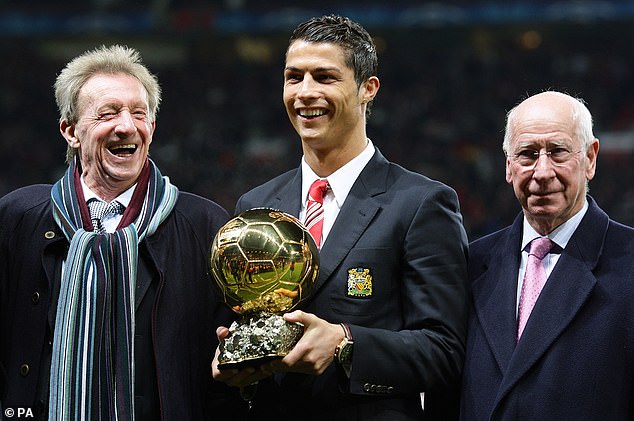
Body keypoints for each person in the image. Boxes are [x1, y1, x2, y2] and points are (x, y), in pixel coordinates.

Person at [212, 14, 469, 420]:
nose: (304, 93)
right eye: (293, 77)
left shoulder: (421, 203)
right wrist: (237, 362)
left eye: (324, 77)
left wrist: (345, 343)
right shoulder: (255, 206)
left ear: (368, 89)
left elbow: (445, 351)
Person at [0, 44, 244, 420]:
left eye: (138, 114)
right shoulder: (19, 218)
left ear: (152, 128)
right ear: (70, 131)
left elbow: (227, 369)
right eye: (107, 114)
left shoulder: (204, 224)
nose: (126, 126)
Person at [460, 91, 634, 420]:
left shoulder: (629, 263)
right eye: (527, 154)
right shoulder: (470, 265)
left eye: (557, 152)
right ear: (509, 167)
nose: (542, 171)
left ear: (590, 159)